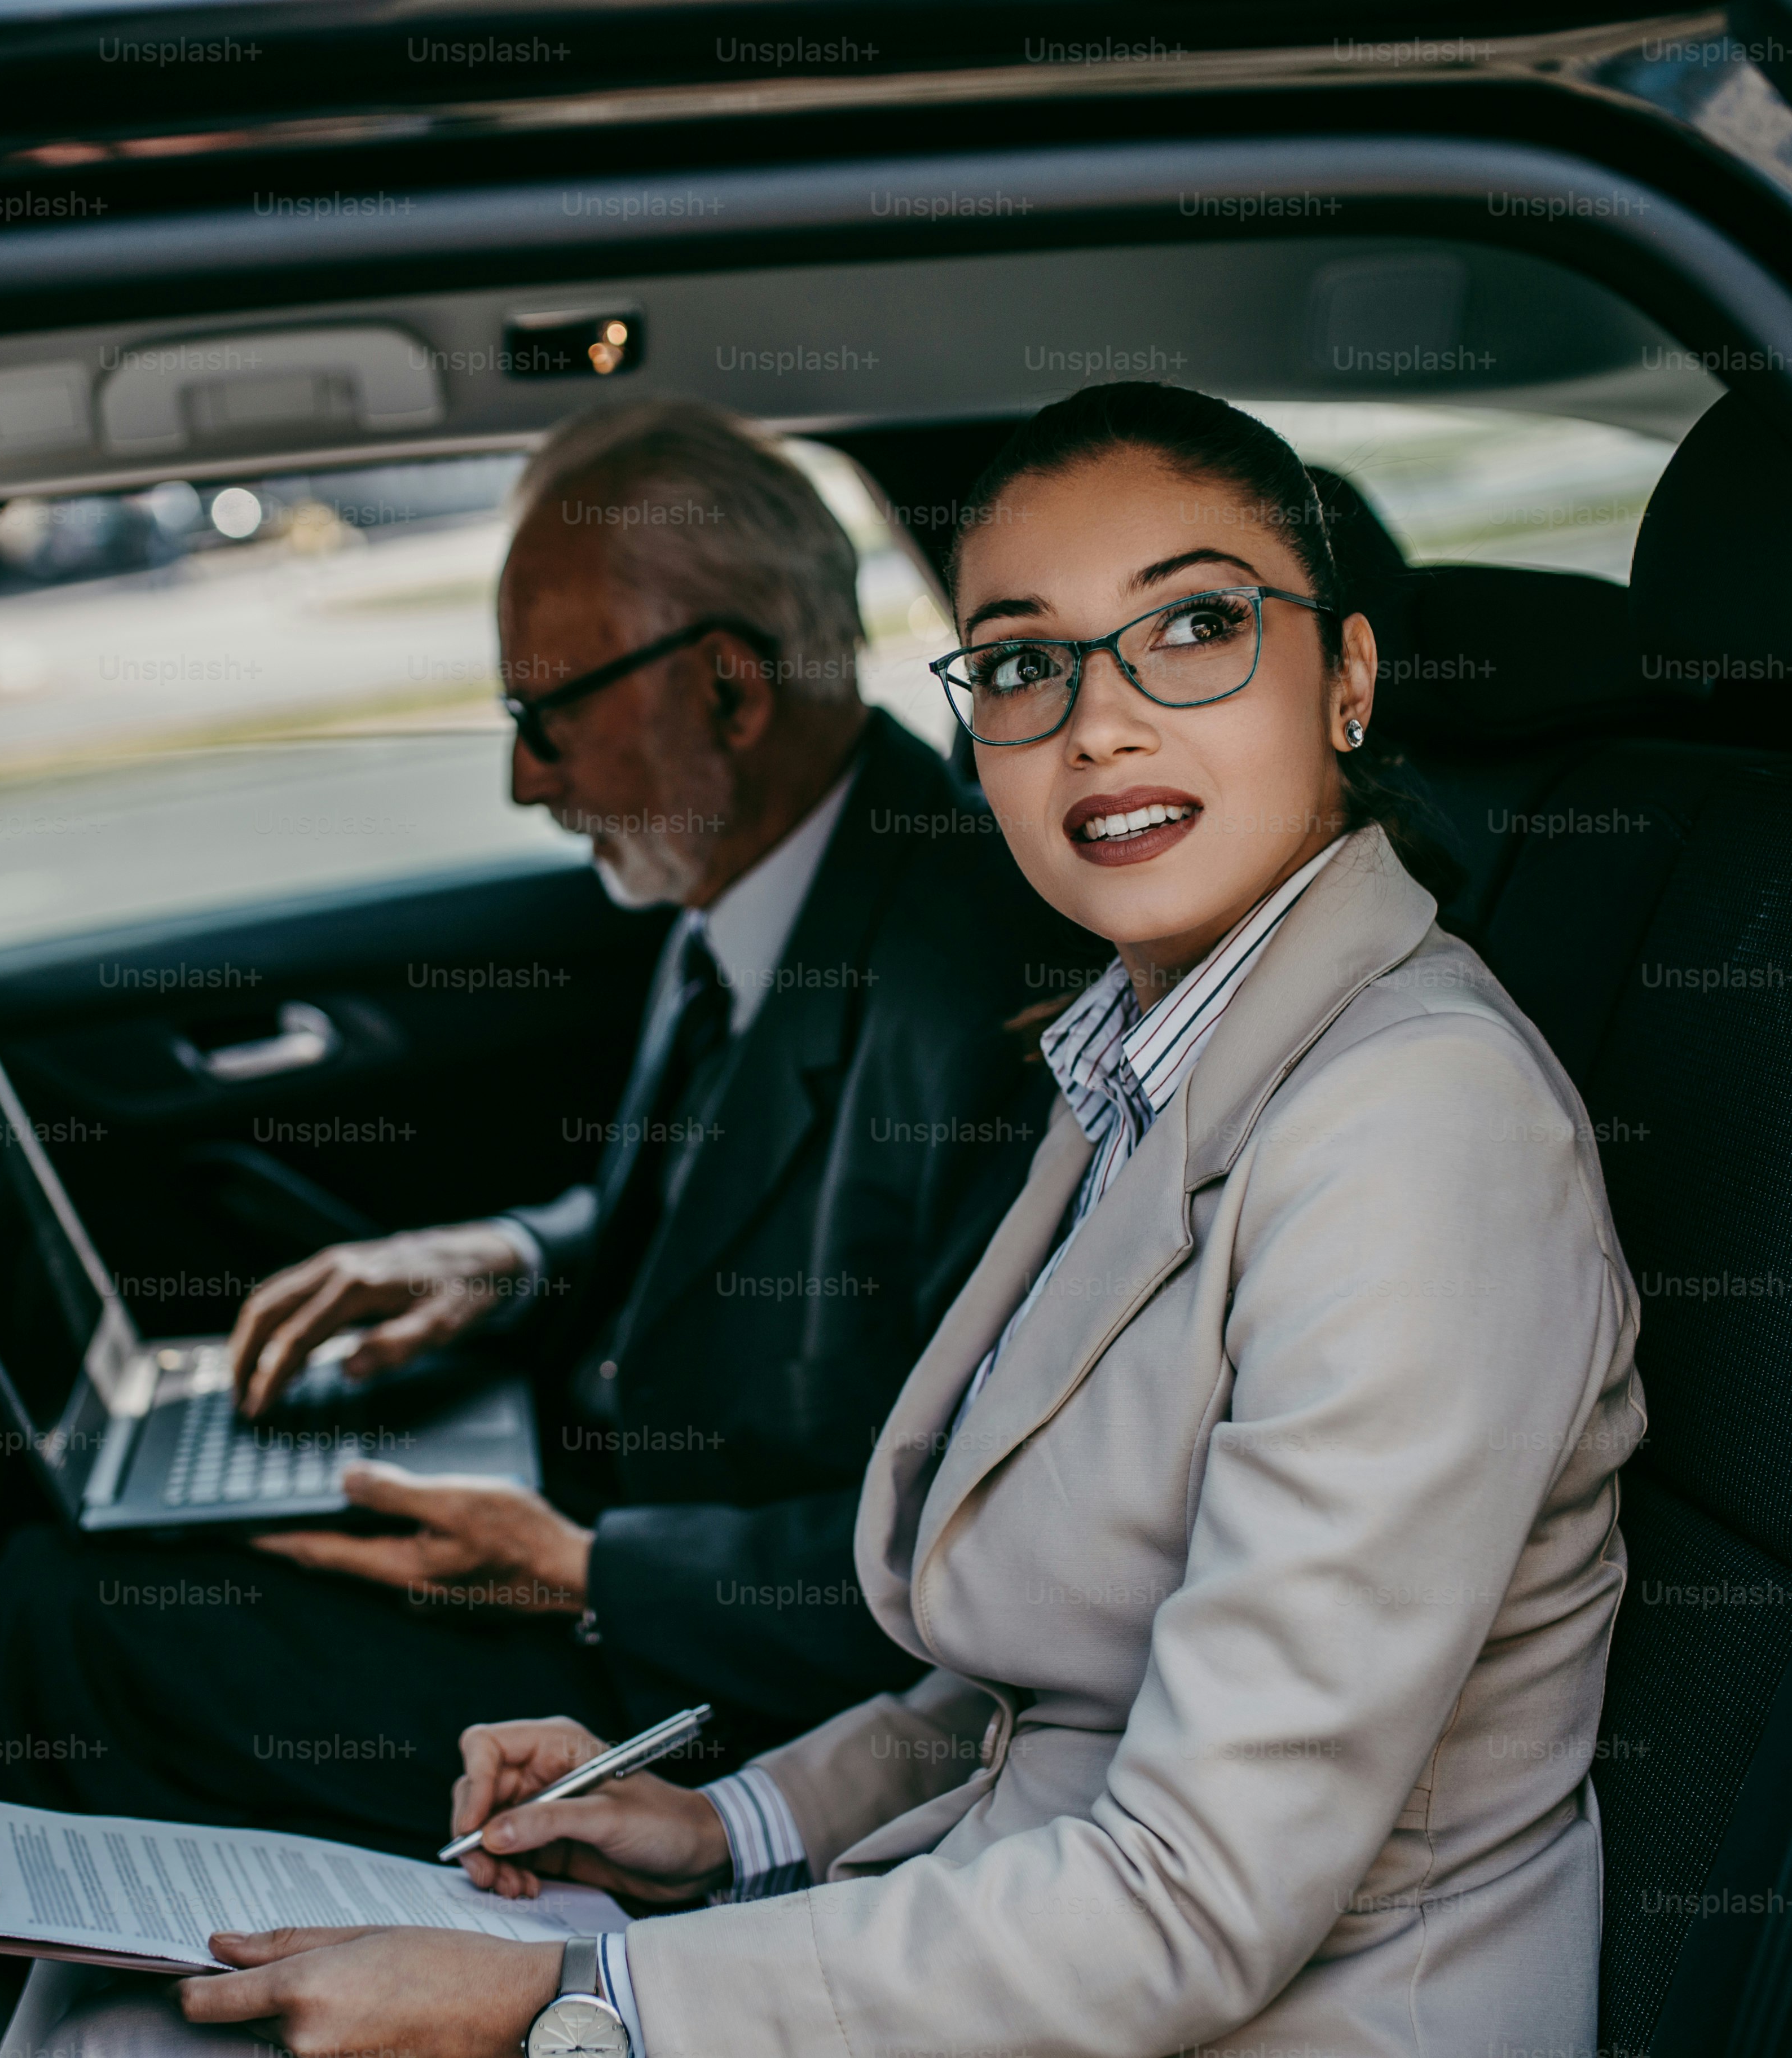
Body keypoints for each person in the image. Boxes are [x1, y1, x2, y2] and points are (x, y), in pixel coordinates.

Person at [120, 382, 1647, 2057]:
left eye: (1196, 627)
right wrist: (733, 1827)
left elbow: (1196, 1903)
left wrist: (580, 1999)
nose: (1101, 726)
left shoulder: (1413, 1132)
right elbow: (1050, 1681)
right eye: (1019, 661)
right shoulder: (1147, 1058)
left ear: (1346, 676)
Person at [0, 397, 1094, 1852]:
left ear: (728, 691)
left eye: (550, 718)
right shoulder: (754, 872)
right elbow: (693, 1220)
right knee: (129, 1536)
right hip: (613, 1527)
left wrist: (585, 1570)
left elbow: (1000, 1556)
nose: (525, 781)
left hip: (734, 1687)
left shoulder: (982, 1007)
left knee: (59, 1626)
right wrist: (504, 1261)